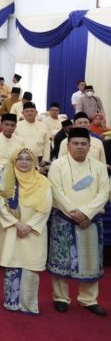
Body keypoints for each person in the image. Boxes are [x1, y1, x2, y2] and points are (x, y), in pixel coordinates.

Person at [47, 127, 109, 316]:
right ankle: (61, 297)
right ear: (68, 145)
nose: (80, 147)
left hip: (90, 220)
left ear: (90, 147)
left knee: (90, 259)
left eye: (84, 144)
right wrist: (75, 214)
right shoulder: (58, 165)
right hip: (64, 219)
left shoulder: (98, 167)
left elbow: (104, 192)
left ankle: (88, 299)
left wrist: (86, 214)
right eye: (76, 143)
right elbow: (56, 192)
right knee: (62, 259)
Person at [0, 147, 52, 314]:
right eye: (20, 158)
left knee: (30, 266)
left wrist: (29, 226)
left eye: (28, 158)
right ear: (14, 160)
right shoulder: (5, 180)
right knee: (12, 264)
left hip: (33, 231)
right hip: (12, 229)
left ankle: (28, 304)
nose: (24, 161)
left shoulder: (43, 181)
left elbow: (46, 207)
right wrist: (16, 223)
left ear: (33, 161)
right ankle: (11, 302)